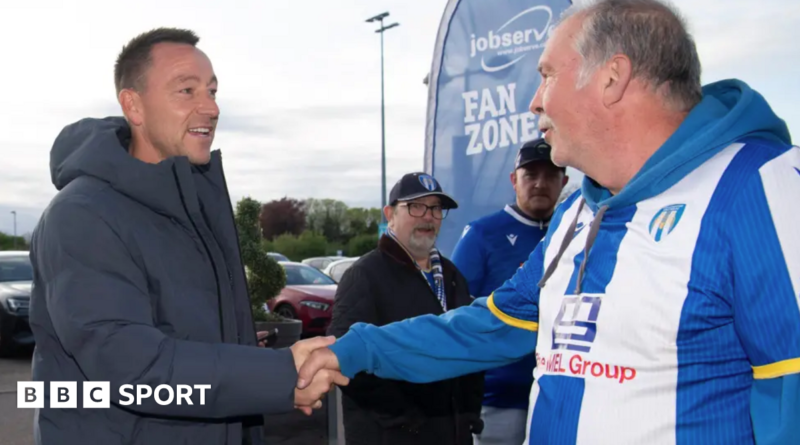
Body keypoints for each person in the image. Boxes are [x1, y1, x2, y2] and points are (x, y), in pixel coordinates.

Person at [296, 1, 800, 444]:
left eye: (548, 74)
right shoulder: (576, 212)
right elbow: (494, 325)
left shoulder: (762, 187)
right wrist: (356, 349)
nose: (534, 100)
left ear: (611, 77)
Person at [28, 28, 346, 445]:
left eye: (213, 91)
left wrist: (258, 368)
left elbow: (188, 336)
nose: (210, 107)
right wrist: (280, 374)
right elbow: (132, 366)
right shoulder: (82, 216)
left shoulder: (195, 211)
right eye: (187, 91)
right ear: (133, 105)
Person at [327, 172, 485, 445]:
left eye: (436, 208)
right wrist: (404, 419)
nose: (428, 217)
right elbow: (345, 358)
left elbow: (471, 346)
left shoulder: (453, 276)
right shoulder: (364, 275)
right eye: (415, 206)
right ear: (390, 213)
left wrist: (469, 412)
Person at [451, 138, 567, 445]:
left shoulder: (575, 230)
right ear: (514, 180)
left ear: (564, 181)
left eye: (550, 174)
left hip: (561, 396)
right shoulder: (482, 233)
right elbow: (456, 311)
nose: (540, 183)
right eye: (531, 175)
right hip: (499, 398)